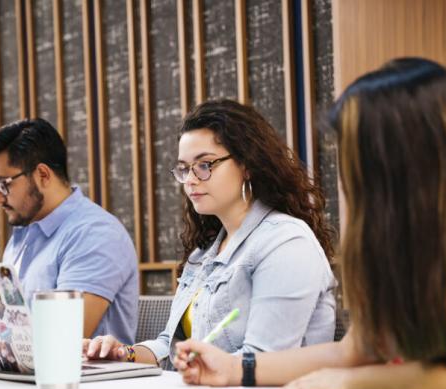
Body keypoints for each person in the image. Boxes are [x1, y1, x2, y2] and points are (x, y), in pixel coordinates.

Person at [174, 58, 446, 389]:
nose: (350, 169)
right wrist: (233, 369)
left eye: (357, 150)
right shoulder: (406, 233)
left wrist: (350, 384)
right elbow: (354, 351)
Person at [84, 99, 336, 366]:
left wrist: (200, 369)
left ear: (247, 164)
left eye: (205, 165)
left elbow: (264, 360)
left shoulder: (286, 243)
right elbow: (169, 345)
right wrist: (125, 353)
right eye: (184, 168)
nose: (190, 179)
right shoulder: (204, 252)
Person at [0, 118, 139, 357]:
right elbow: (8, 326)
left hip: (84, 387)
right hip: (23, 381)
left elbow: (61, 341)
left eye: (3, 185)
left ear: (42, 174)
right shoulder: (24, 231)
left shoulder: (95, 234)